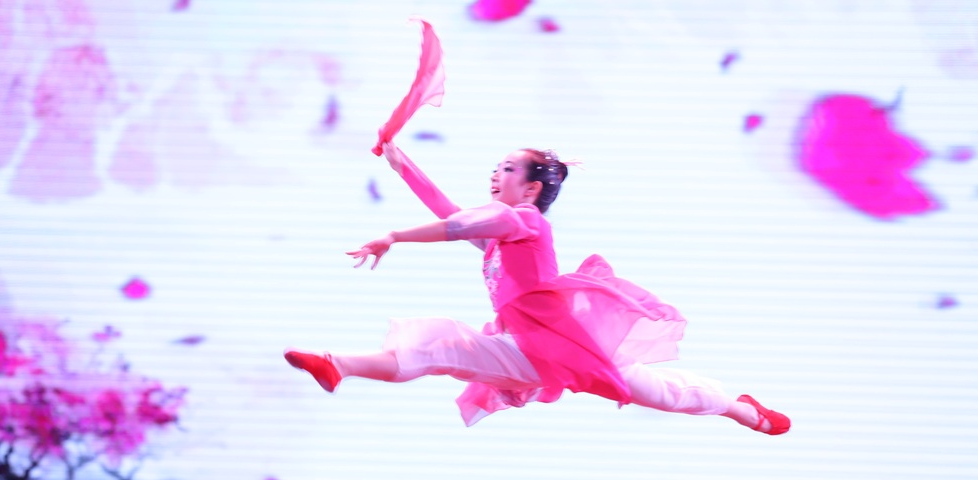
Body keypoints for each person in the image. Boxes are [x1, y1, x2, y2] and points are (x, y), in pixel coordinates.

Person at [285, 142, 789, 435]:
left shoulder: (524, 219)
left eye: (507, 169)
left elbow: (456, 225)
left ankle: (739, 409)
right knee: (439, 345)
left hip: (563, 345)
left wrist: (394, 236)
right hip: (526, 346)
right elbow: (450, 211)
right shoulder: (497, 236)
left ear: (530, 189)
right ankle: (337, 364)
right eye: (496, 168)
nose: (495, 174)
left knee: (662, 393)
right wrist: (400, 162)